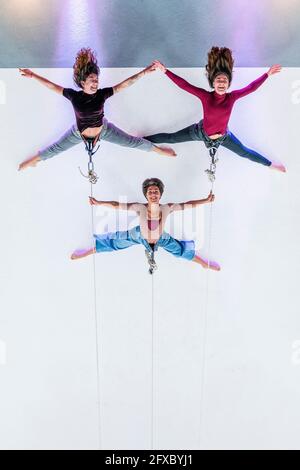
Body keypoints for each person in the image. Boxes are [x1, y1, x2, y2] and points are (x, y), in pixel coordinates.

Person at [18, 48, 176, 171]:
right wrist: (34, 76)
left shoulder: (102, 94)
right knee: (56, 149)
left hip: (104, 130)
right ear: (82, 82)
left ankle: (158, 150)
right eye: (92, 80)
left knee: (131, 142)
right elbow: (52, 86)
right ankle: (33, 162)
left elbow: (124, 84)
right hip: (78, 133)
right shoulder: (74, 96)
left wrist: (143, 72)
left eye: (97, 80)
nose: (95, 83)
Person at [145, 47, 285, 172]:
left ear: (229, 84)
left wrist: (267, 74)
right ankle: (140, 140)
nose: (222, 83)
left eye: (224, 80)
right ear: (213, 83)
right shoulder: (205, 96)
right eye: (219, 80)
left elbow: (251, 88)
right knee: (172, 137)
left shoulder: (232, 97)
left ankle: (271, 165)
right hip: (200, 133)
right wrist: (165, 71)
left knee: (244, 152)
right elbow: (185, 85)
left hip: (224, 137)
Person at [71, 177, 220, 271]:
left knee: (180, 250)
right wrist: (99, 203)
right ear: (146, 195)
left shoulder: (167, 207)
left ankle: (202, 263)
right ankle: (88, 251)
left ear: (160, 194)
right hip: (138, 235)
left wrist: (205, 200)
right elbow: (117, 205)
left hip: (162, 238)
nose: (153, 194)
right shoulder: (140, 207)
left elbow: (188, 205)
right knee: (114, 242)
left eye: (156, 191)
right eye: (150, 192)